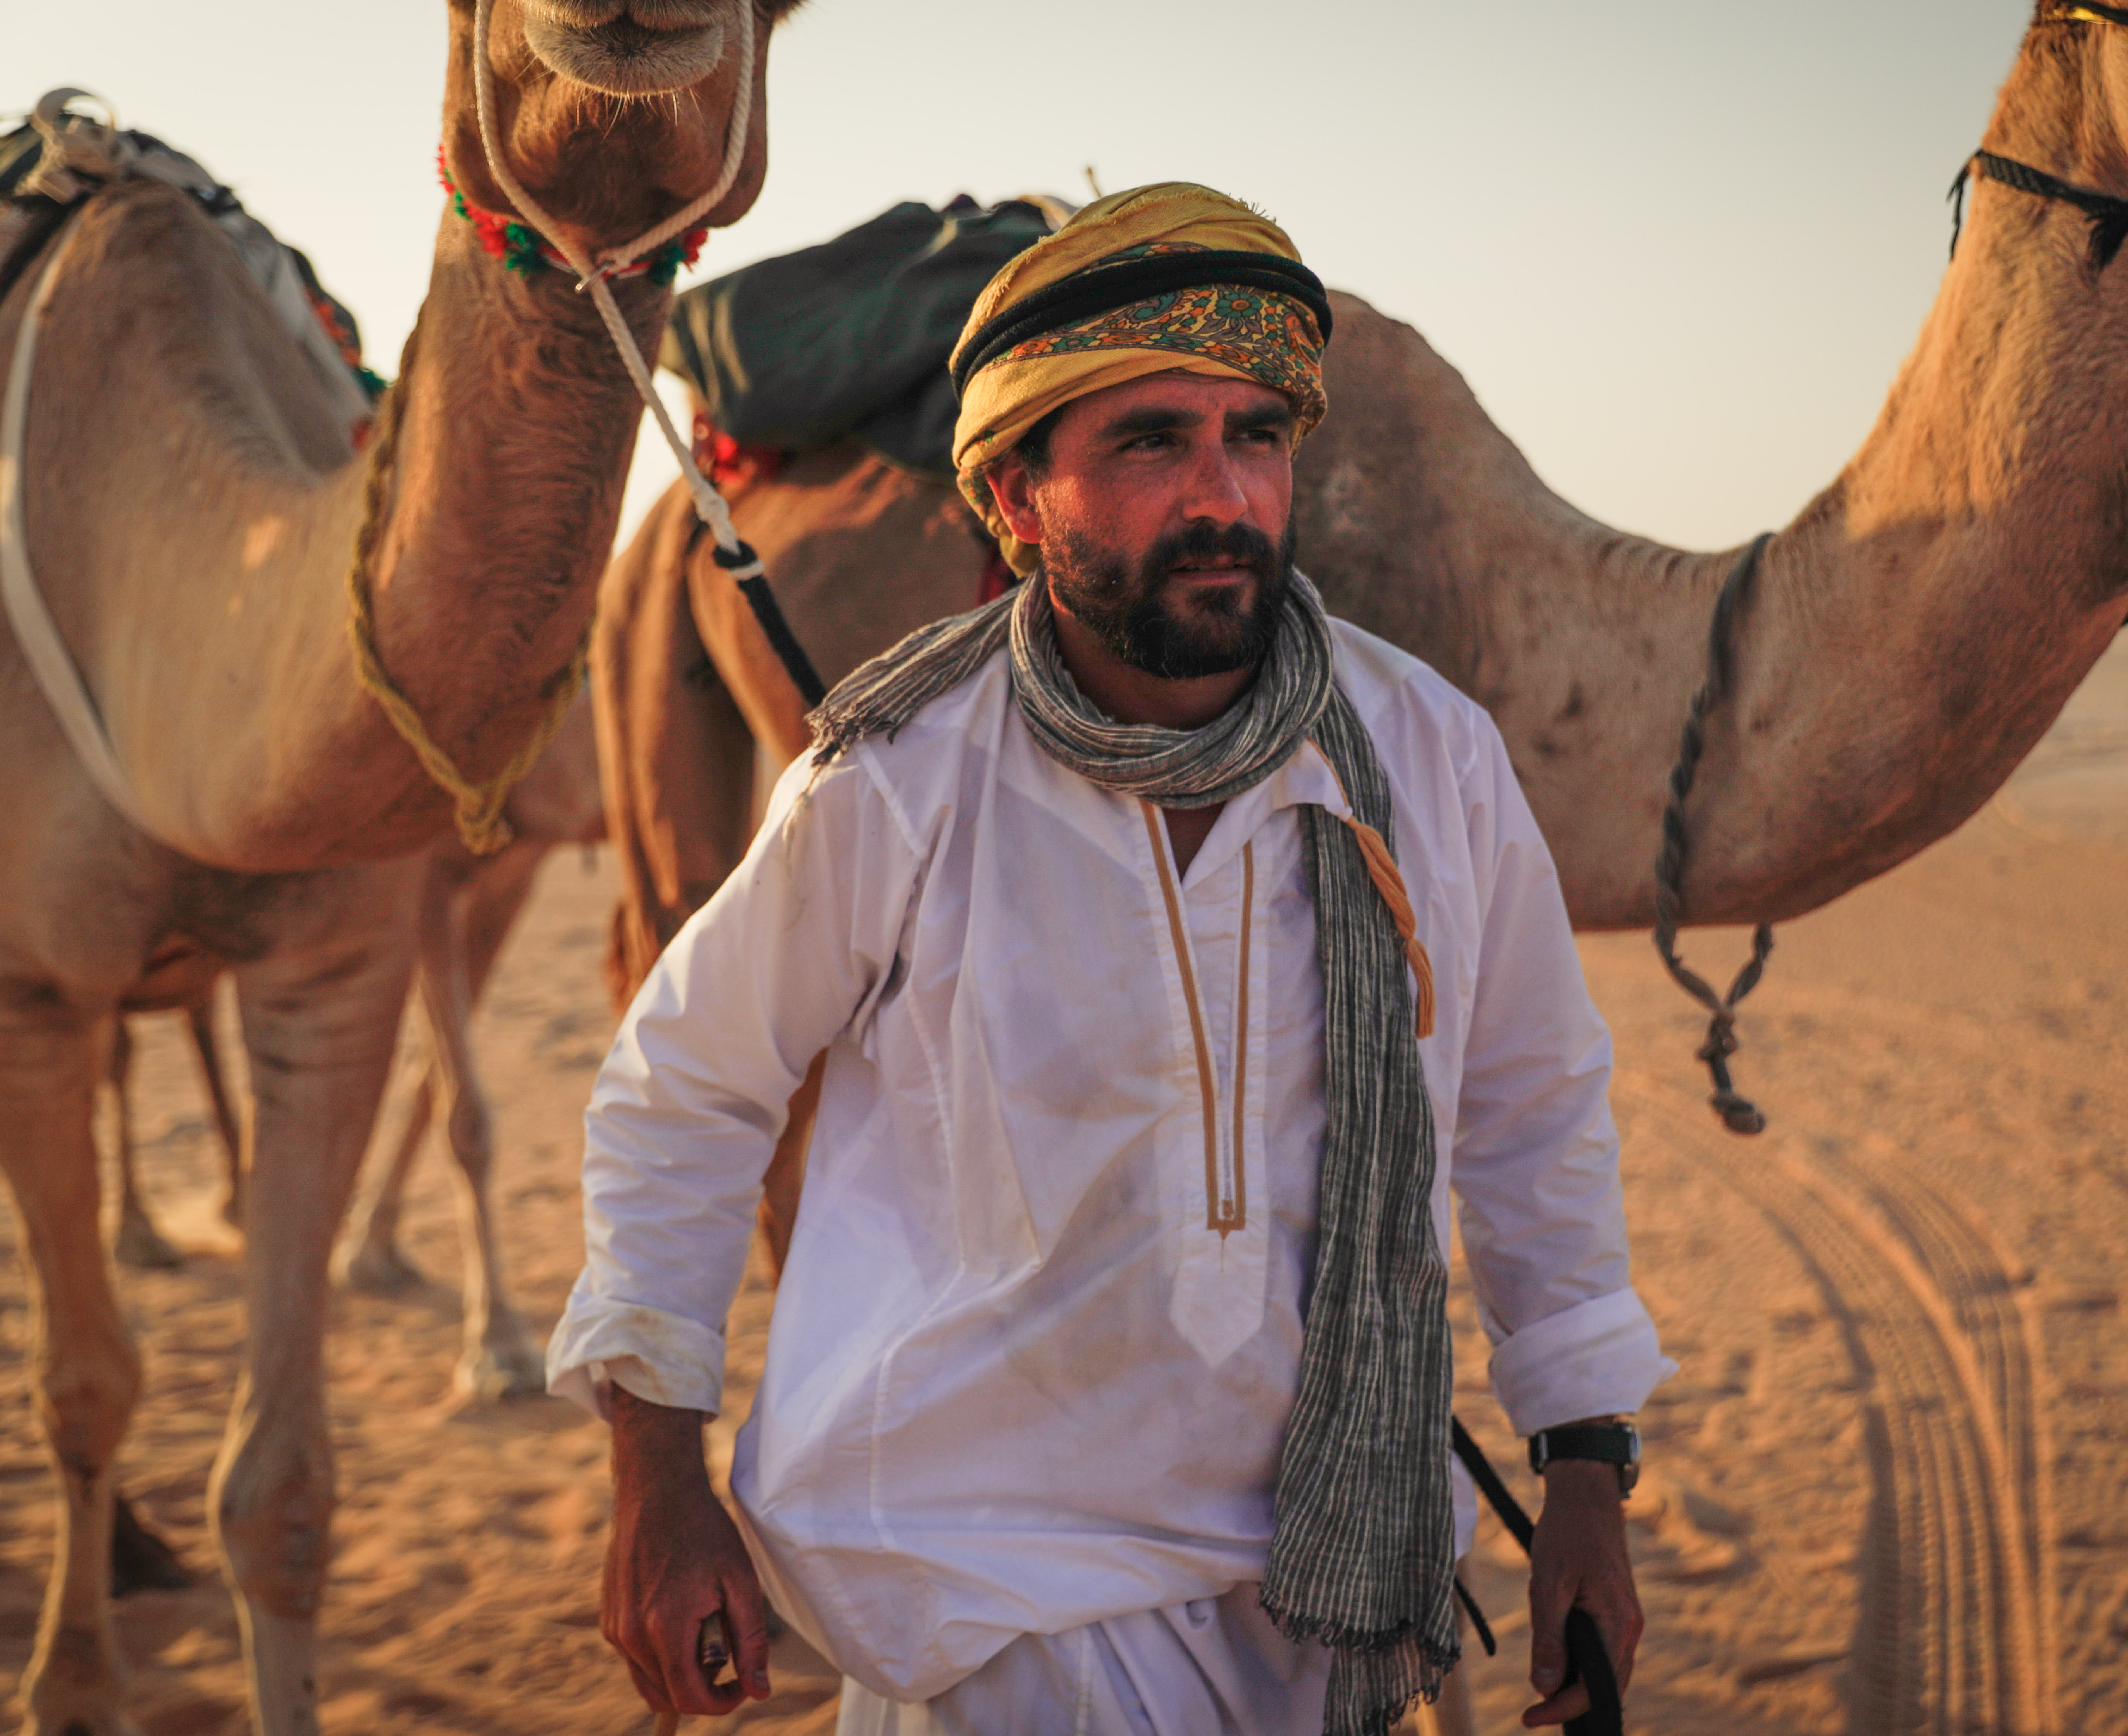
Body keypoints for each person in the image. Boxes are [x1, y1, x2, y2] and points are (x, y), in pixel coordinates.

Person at [546, 182, 1675, 1736]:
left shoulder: (1429, 759)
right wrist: (657, 1479)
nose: (1222, 493)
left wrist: (1587, 1478)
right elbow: (685, 1089)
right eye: (1151, 442)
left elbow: (1532, 1116)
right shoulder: (899, 784)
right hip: (981, 1592)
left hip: (1329, 1594)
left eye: (1255, 435)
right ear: (1014, 499)